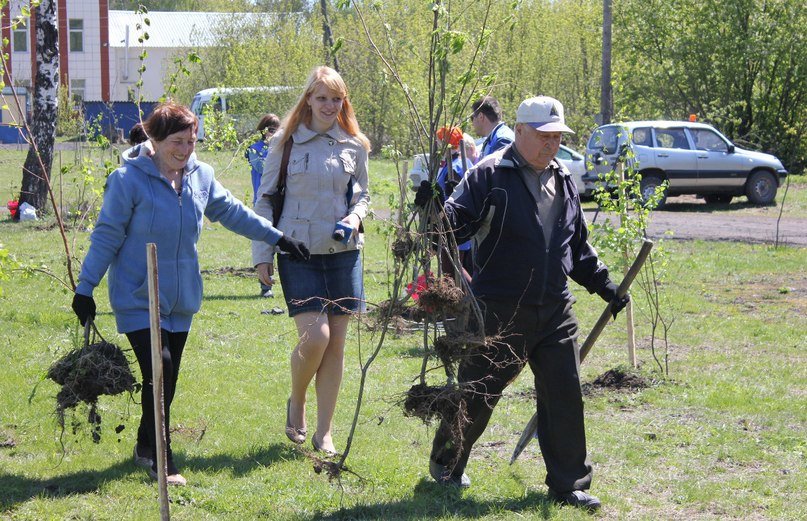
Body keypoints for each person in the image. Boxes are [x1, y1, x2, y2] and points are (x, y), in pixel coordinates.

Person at [70, 101, 309, 486]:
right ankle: (163, 462)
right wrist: (85, 288)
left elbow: (232, 212)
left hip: (181, 298)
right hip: (138, 295)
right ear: (155, 138)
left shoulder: (201, 176)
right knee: (159, 369)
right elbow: (107, 235)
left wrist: (278, 237)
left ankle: (145, 447)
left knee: (167, 380)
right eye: (177, 142)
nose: (185, 150)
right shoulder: (127, 180)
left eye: (192, 142)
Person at [415, 96, 629, 511]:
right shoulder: (489, 175)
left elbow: (577, 246)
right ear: (523, 131)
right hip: (498, 307)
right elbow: (455, 223)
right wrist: (433, 209)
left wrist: (604, 285)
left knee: (563, 392)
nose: (553, 144)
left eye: (558, 137)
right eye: (545, 136)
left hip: (554, 307)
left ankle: (568, 484)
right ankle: (447, 465)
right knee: (477, 392)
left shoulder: (564, 177)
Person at [252, 66, 370, 455]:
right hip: (297, 253)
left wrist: (355, 216)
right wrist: (262, 255)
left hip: (343, 255)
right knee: (315, 337)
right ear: (308, 100)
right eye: (322, 98)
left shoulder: (355, 145)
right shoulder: (284, 144)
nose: (329, 105)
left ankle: (325, 432)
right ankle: (297, 400)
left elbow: (362, 196)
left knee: (336, 345)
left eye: (336, 99)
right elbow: (265, 200)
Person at [246, 113, 281, 297]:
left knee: (279, 242)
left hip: (279, 201)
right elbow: (262, 167)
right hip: (262, 202)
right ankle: (265, 286)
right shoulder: (254, 149)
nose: (273, 133)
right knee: (263, 243)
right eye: (270, 130)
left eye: (277, 130)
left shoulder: (281, 149)